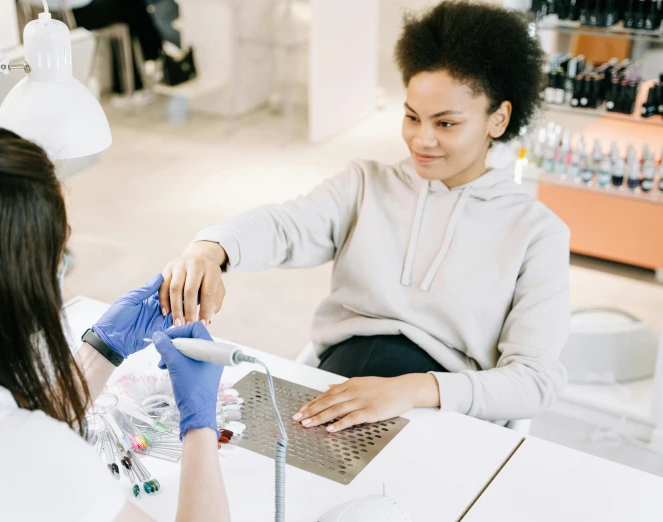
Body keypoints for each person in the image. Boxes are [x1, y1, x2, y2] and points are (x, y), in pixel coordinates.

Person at [159, 1, 571, 430]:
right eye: (412, 117)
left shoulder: (536, 233)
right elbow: (287, 225)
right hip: (336, 381)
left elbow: (535, 380)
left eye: (446, 124)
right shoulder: (366, 184)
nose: (421, 139)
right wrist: (212, 248)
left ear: (498, 119)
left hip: (442, 409)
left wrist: (411, 390)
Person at [0, 127, 230, 522]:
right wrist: (200, 425)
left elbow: (10, 442)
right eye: (60, 256)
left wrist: (102, 349)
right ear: (13, 282)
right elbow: (20, 453)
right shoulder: (10, 453)